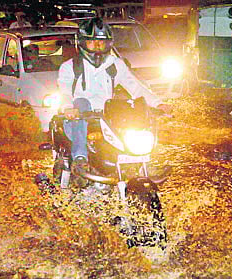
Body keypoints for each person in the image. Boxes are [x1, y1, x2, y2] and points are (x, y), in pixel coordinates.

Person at [57, 17, 170, 173]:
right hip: (79, 117)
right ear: (82, 43)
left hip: (106, 116)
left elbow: (136, 87)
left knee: (133, 113)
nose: (98, 47)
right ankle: (80, 159)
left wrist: (158, 103)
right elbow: (64, 90)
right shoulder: (69, 67)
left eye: (102, 43)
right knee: (82, 102)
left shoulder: (115, 64)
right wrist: (68, 108)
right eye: (93, 42)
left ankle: (144, 162)